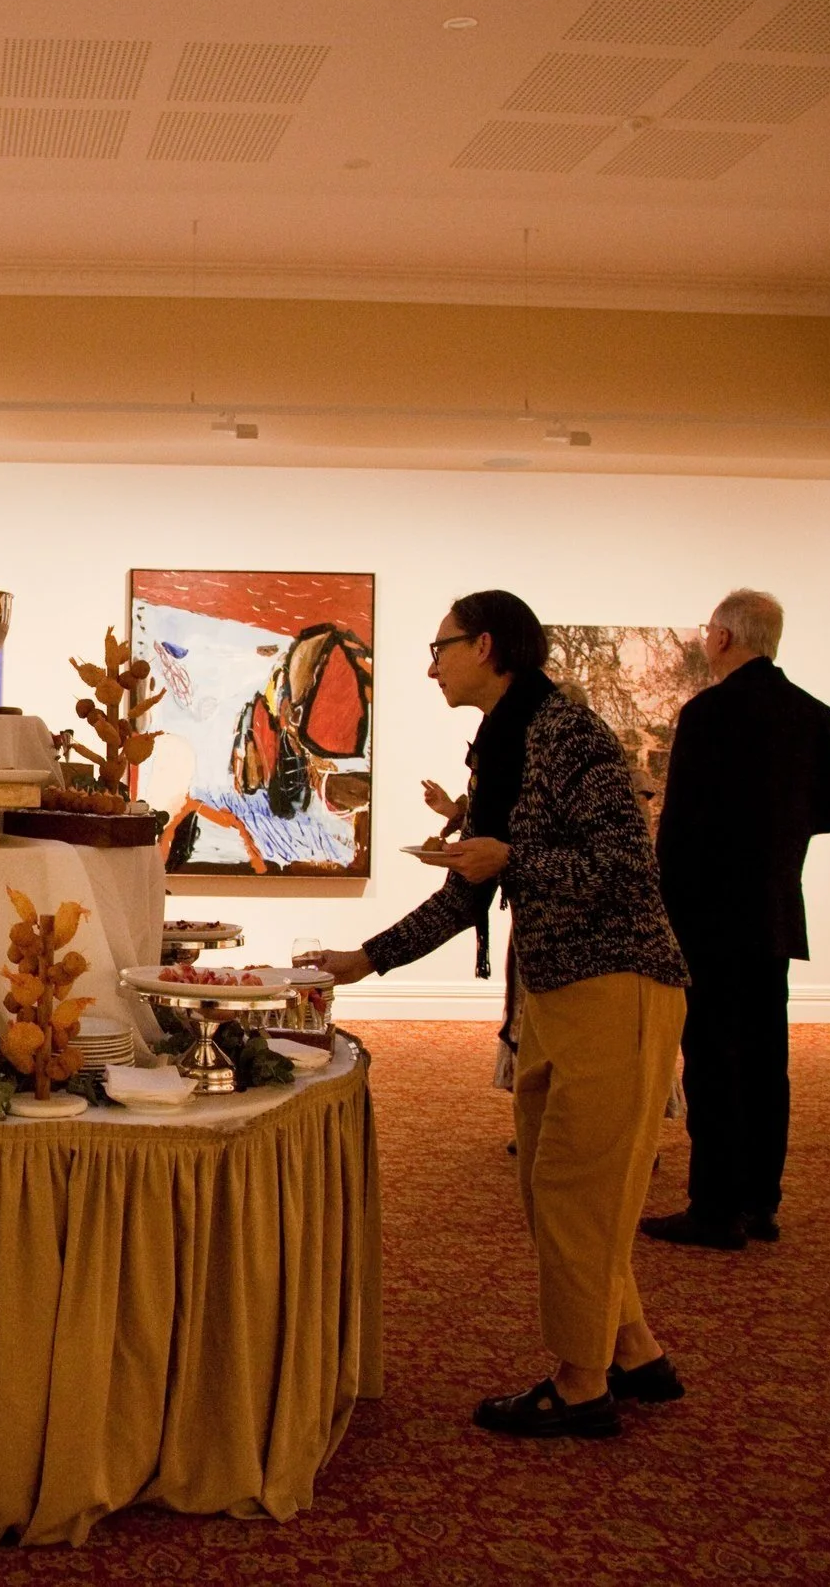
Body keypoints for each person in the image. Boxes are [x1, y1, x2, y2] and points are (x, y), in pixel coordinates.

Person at [301, 590, 688, 1440]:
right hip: (556, 989)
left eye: (438, 648)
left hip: (617, 984)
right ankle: (633, 1348)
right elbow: (466, 892)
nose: (430, 667)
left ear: (484, 646)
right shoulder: (503, 745)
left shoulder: (569, 734)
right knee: (555, 1189)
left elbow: (625, 865)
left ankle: (582, 1385)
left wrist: (514, 857)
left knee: (579, 1192)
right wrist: (366, 958)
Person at [640, 590, 830, 1251]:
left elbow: (680, 828)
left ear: (725, 638)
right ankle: (761, 1202)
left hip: (706, 913)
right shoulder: (812, 714)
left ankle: (714, 1208)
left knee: (710, 1060)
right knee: (764, 1058)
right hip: (772, 910)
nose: (706, 641)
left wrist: (661, 912)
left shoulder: (708, 714)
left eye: (709, 632)